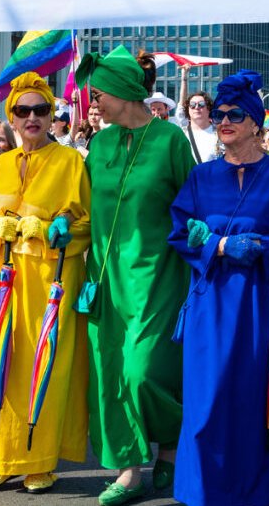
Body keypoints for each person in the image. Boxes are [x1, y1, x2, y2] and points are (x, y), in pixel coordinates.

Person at [167, 69, 269, 506]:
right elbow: (179, 233)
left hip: (262, 307)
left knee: (259, 404)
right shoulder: (201, 178)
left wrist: (267, 246)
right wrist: (219, 245)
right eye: (218, 115)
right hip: (210, 305)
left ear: (256, 123)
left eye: (235, 114)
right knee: (206, 405)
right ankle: (203, 494)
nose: (224, 121)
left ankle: (258, 494)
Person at [75, 47, 194, 504]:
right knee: (109, 372)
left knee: (143, 370)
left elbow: (192, 204)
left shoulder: (170, 140)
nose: (93, 103)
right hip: (104, 280)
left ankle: (168, 446)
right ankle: (129, 468)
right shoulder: (99, 144)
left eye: (99, 93)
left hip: (157, 276)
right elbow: (84, 206)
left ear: (125, 92)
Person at [0, 72, 90, 494]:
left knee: (42, 369)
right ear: (12, 118)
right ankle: (1, 457)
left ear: (51, 114)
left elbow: (85, 224)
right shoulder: (1, 163)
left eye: (41, 110)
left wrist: (51, 228)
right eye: (24, 111)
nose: (33, 117)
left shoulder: (71, 161)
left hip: (47, 284)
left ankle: (40, 462)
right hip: (3, 282)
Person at [178, 92, 220, 164]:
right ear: (188, 110)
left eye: (201, 104)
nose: (197, 107)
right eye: (192, 105)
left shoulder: (219, 134)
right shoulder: (181, 134)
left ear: (209, 109)